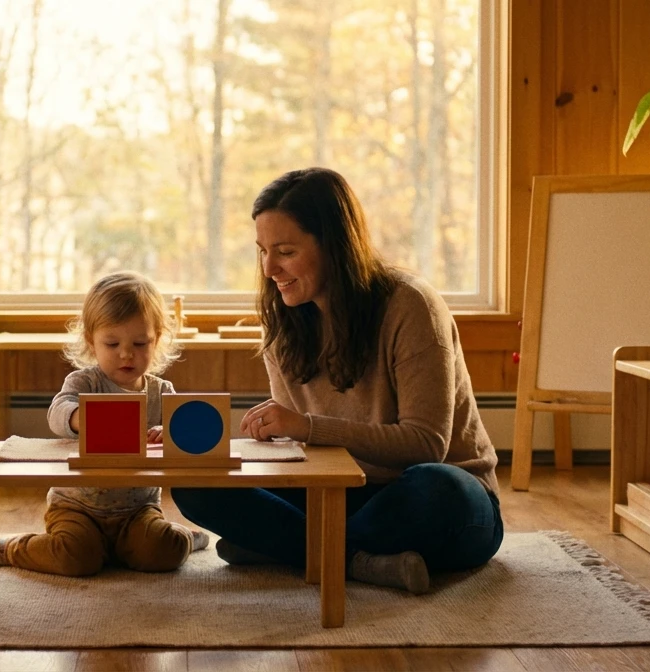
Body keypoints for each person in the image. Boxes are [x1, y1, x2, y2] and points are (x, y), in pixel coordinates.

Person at [172, 167, 503, 594]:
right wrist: (256, 445)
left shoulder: (411, 306)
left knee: (438, 488)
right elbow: (300, 457)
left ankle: (289, 547)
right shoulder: (283, 322)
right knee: (193, 479)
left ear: (335, 246)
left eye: (285, 251)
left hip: (437, 500)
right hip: (336, 496)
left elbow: (426, 444)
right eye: (262, 251)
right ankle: (356, 561)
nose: (270, 267)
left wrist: (306, 427)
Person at [0, 271, 210, 576]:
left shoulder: (161, 392)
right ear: (91, 341)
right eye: (112, 344)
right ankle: (12, 547)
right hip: (76, 508)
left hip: (138, 511)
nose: (126, 354)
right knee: (76, 558)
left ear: (156, 340)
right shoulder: (85, 382)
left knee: (164, 552)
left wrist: (170, 432)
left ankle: (184, 538)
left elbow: (188, 433)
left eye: (139, 343)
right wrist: (79, 416)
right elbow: (57, 412)